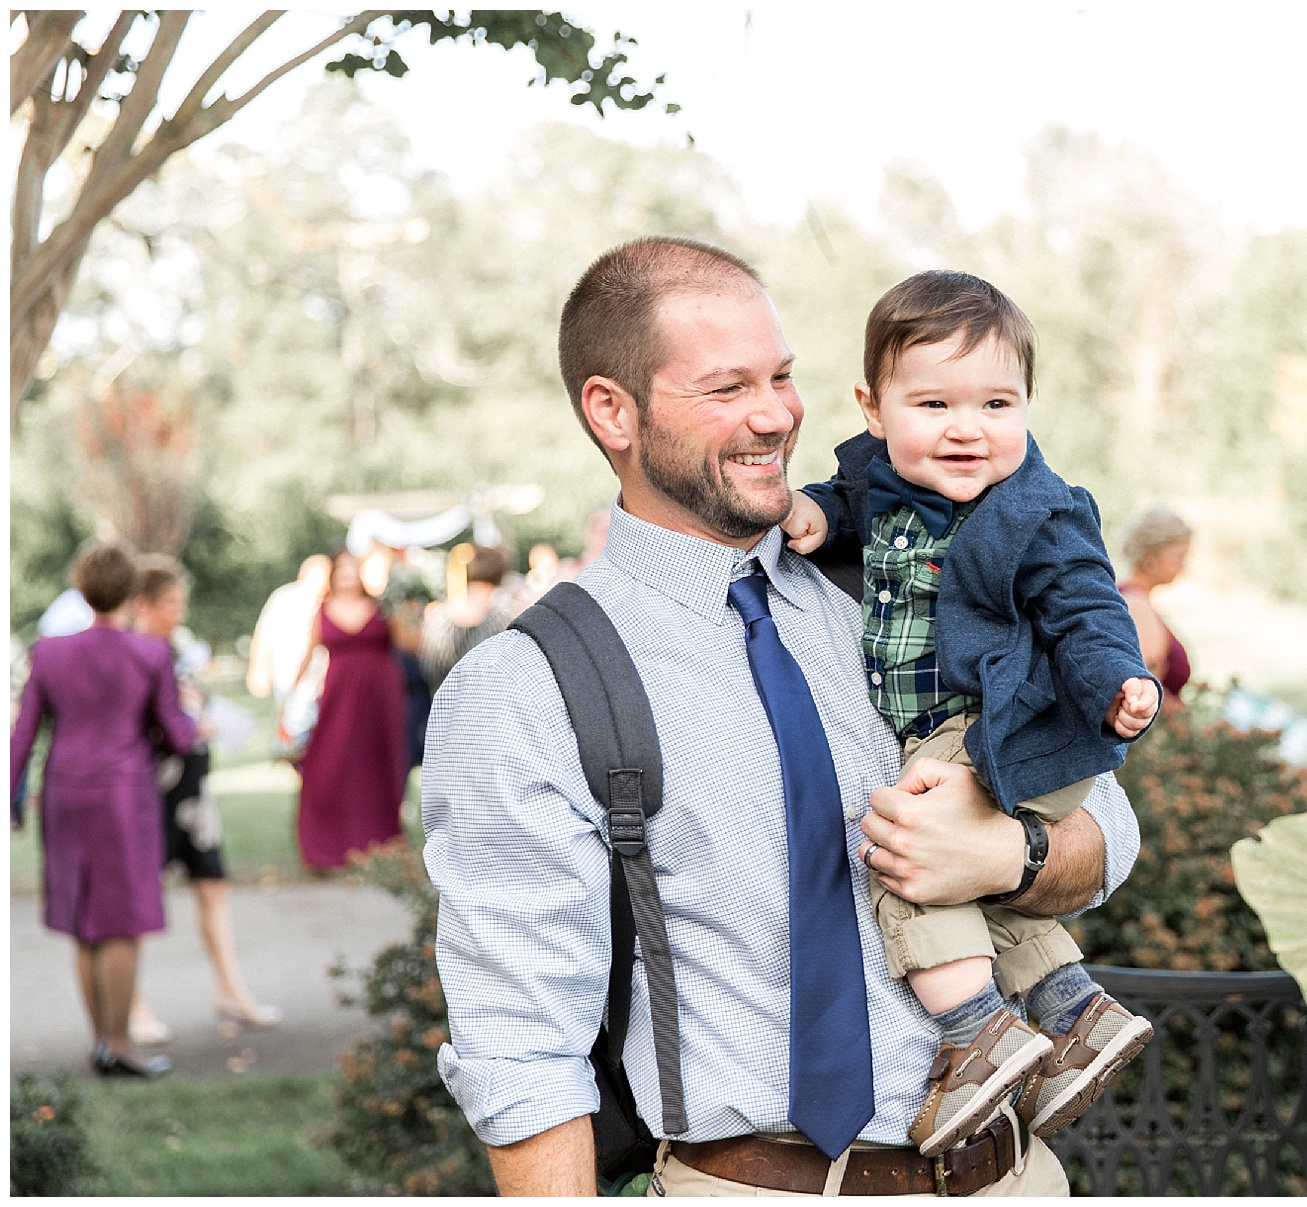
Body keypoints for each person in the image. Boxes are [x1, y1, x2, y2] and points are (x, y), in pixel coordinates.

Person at [424, 236, 1141, 1197]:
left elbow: (1113, 825)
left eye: (784, 376)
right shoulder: (530, 683)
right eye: (727, 388)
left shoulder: (900, 580)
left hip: (1015, 1180)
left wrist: (1010, 855)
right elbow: (521, 1040)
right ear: (613, 410)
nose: (774, 416)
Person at [783, 271, 1157, 1156]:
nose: (967, 427)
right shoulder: (879, 478)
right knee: (984, 881)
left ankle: (976, 1032)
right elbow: (857, 507)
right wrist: (815, 514)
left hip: (1006, 720)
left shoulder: (1037, 511)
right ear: (874, 410)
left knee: (906, 847)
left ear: (1028, 403)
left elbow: (1086, 604)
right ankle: (1075, 1015)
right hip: (954, 726)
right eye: (935, 402)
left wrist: (1117, 680)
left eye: (996, 401)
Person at [10, 542, 198, 1077]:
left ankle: (100, 1042)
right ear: (132, 592)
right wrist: (188, 721)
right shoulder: (149, 654)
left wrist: (12, 797)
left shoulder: (47, 652)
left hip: (65, 792)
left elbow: (23, 733)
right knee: (122, 920)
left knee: (81, 917)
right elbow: (179, 736)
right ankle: (120, 1044)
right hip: (122, 794)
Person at [127, 557, 282, 1045]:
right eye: (169, 604)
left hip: (194, 786)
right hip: (151, 787)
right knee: (139, 896)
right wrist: (187, 723)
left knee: (213, 885)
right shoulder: (129, 653)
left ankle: (231, 991)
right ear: (142, 605)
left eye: (180, 604)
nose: (178, 613)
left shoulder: (176, 648)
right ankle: (134, 1005)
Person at [292, 548, 409, 871]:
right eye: (341, 569)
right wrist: (290, 697)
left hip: (380, 699)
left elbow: (410, 644)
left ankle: (380, 842)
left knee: (378, 767)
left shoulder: (383, 608)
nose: (348, 575)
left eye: (353, 569)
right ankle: (328, 844)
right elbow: (307, 653)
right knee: (328, 765)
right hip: (338, 699)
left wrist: (409, 602)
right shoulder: (322, 611)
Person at [1116, 506, 1194, 706]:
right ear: (1150, 558)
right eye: (1178, 557)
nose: (1183, 566)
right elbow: (1144, 691)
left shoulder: (1135, 599)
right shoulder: (1136, 607)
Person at [419, 546, 519, 694]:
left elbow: (429, 668)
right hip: (491, 703)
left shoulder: (439, 615)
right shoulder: (505, 611)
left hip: (444, 703)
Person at [245, 554, 332, 708]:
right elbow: (264, 636)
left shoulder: (333, 602)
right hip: (289, 677)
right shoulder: (284, 598)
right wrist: (258, 670)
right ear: (302, 577)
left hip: (325, 682)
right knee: (293, 723)